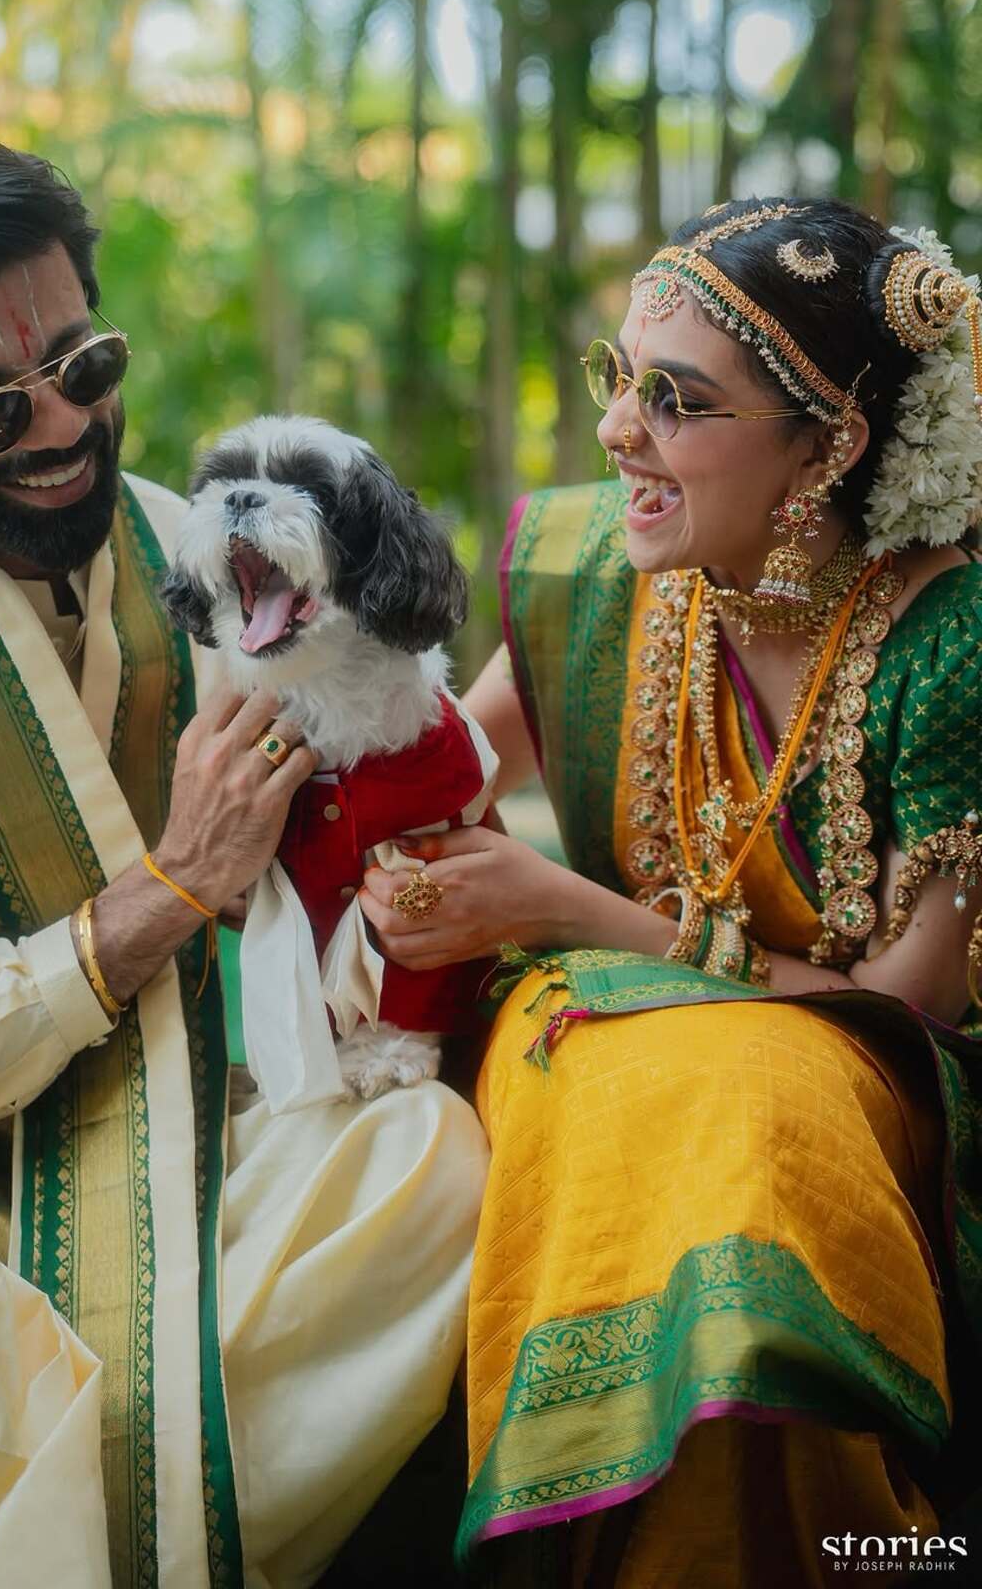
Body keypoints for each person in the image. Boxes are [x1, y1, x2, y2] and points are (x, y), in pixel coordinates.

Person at [0, 116, 488, 1589]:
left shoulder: (196, 549)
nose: (64, 427)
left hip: (206, 1089)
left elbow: (393, 742)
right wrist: (159, 899)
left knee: (423, 1172)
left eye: (84, 365)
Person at [359, 198, 982, 1585]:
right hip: (603, 1042)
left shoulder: (951, 644)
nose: (616, 432)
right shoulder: (596, 577)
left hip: (852, 1091)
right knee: (620, 1082)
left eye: (678, 400)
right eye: (618, 378)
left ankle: (826, 1546)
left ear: (830, 448)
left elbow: (907, 1022)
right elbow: (428, 796)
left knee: (746, 1111)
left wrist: (571, 910)